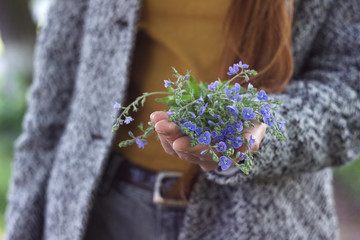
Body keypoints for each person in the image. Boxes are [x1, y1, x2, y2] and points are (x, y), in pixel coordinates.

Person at [4, 0, 360, 239]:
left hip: (260, 219)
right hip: (99, 209)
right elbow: (54, 97)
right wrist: (23, 225)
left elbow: (350, 90)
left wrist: (264, 130)